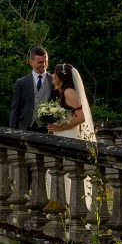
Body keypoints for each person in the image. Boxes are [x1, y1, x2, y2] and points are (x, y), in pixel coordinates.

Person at [46, 63, 96, 208]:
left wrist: (60, 127)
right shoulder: (63, 91)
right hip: (62, 135)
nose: (52, 77)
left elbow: (81, 117)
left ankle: (70, 206)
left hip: (68, 135)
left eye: (54, 75)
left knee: (68, 172)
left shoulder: (69, 92)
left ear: (61, 76)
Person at [8, 46, 54, 132]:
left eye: (46, 62)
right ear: (31, 62)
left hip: (46, 129)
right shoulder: (21, 82)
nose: (44, 65)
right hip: (25, 127)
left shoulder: (54, 81)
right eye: (40, 62)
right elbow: (15, 108)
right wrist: (12, 131)